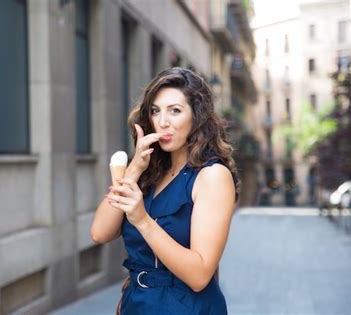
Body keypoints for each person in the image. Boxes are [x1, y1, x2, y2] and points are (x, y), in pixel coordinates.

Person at [90, 67, 239, 314]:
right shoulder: (149, 172)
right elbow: (99, 232)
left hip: (184, 307)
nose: (163, 122)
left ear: (197, 117)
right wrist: (134, 169)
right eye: (155, 111)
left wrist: (142, 220)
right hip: (136, 304)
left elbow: (200, 275)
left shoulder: (212, 176)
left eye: (175, 111)